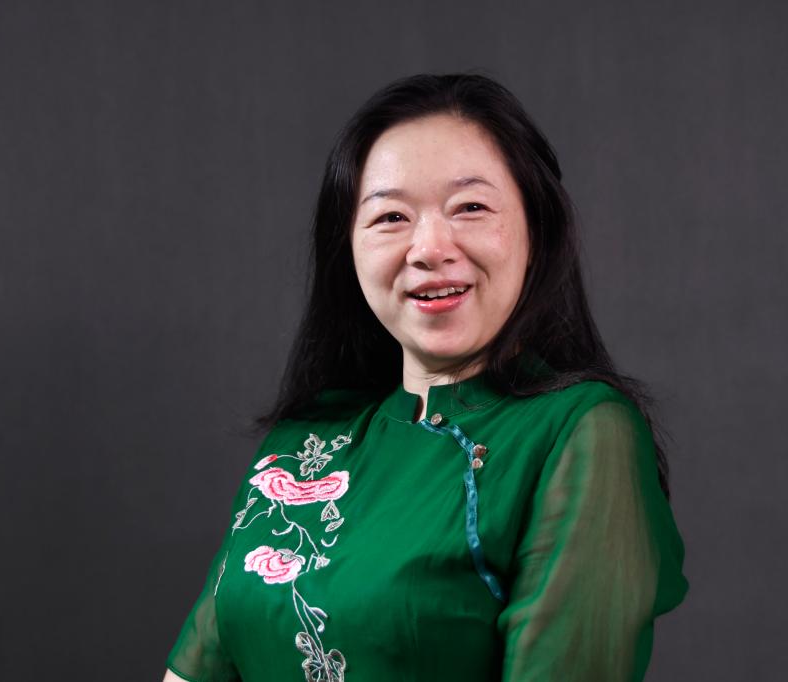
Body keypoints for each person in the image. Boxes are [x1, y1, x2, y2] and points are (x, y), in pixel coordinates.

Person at [163, 72, 688, 682]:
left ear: (537, 231)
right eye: (391, 216)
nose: (429, 248)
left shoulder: (581, 433)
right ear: (347, 248)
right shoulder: (304, 439)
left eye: (471, 208)